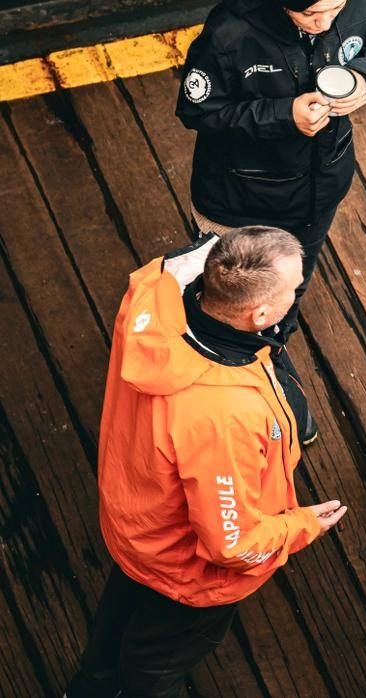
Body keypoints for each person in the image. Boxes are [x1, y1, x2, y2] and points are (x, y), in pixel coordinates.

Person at [68, 228, 346, 698]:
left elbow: (190, 257)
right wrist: (300, 527)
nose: (298, 292)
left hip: (138, 524)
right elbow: (231, 545)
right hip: (185, 571)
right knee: (154, 669)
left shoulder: (154, 290)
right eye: (294, 288)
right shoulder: (224, 417)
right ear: (260, 315)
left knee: (114, 629)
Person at [176, 0, 366, 445]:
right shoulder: (230, 34)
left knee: (288, 286)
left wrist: (363, 80)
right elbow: (197, 109)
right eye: (312, 13)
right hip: (239, 201)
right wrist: (280, 115)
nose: (326, 23)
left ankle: (272, 348)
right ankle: (230, 375)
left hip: (319, 189)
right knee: (229, 298)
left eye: (335, 10)